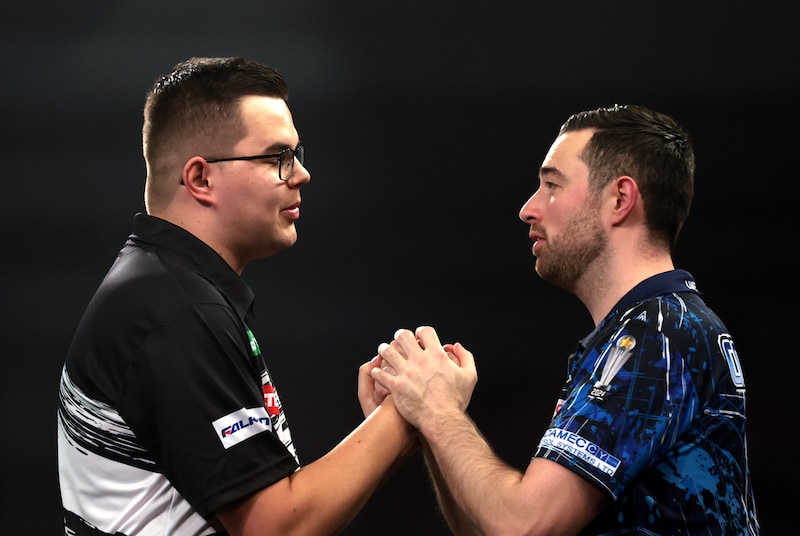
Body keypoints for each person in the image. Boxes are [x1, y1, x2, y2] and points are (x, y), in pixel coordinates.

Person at [56, 56, 417, 536]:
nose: (301, 174)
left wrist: (385, 427)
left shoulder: (166, 288)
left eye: (297, 154)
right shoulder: (174, 311)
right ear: (200, 179)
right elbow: (274, 528)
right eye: (277, 157)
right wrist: (413, 407)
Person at [370, 104, 760, 535]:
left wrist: (438, 409)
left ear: (620, 199)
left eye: (552, 185)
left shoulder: (658, 334)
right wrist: (428, 418)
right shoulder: (652, 327)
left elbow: (523, 526)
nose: (528, 209)